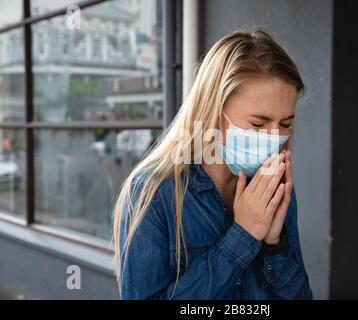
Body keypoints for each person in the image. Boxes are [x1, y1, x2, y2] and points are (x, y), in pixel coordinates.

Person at [112, 28, 313, 300]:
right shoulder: (154, 193)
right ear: (213, 111)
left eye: (285, 124)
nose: (274, 137)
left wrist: (275, 246)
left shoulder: (273, 187)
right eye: (258, 123)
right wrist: (243, 235)